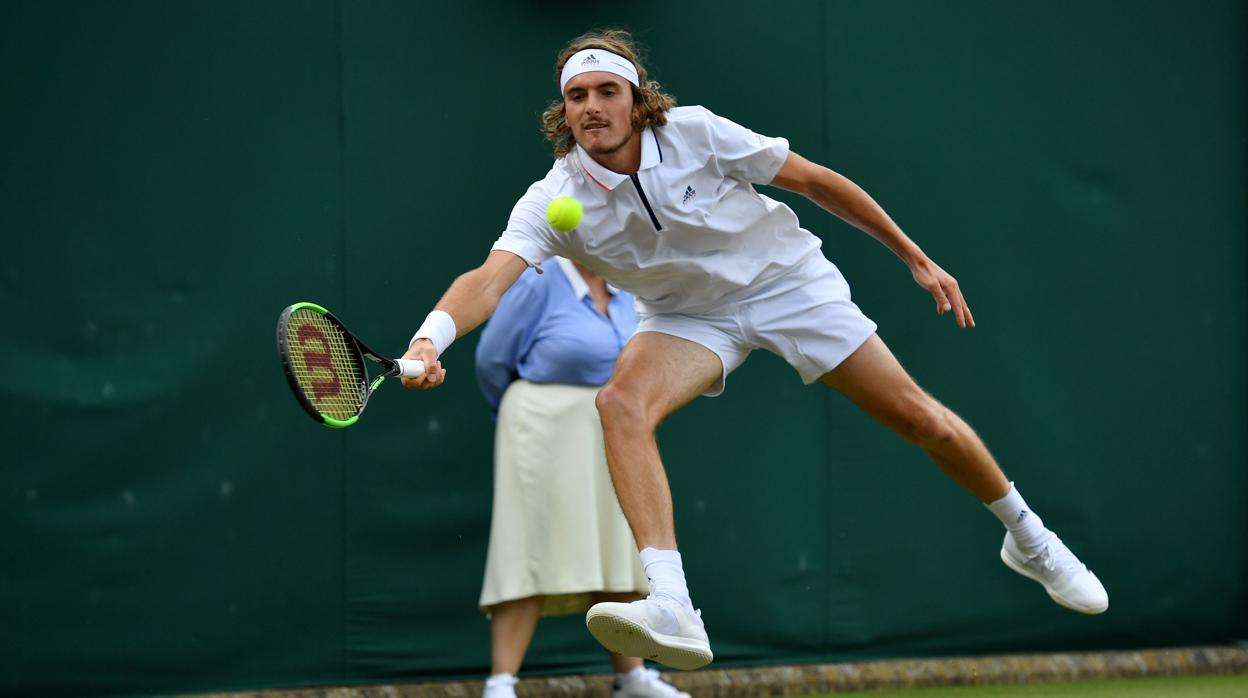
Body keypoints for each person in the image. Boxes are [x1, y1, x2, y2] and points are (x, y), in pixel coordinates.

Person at [402, 29, 1108, 671]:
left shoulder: (697, 133)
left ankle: (1029, 537)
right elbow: (487, 280)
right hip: (685, 318)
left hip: (785, 283)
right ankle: (672, 601)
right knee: (619, 404)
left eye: (606, 91)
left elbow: (814, 182)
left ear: (636, 99)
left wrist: (914, 258)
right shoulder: (554, 196)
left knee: (918, 418)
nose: (591, 106)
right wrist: (431, 339)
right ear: (565, 111)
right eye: (577, 96)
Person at [474, 257, 690, 698]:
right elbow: (491, 360)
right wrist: (522, 418)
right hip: (538, 426)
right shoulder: (539, 281)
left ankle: (631, 680)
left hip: (612, 427)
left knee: (618, 550)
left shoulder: (629, 284)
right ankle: (501, 684)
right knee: (528, 548)